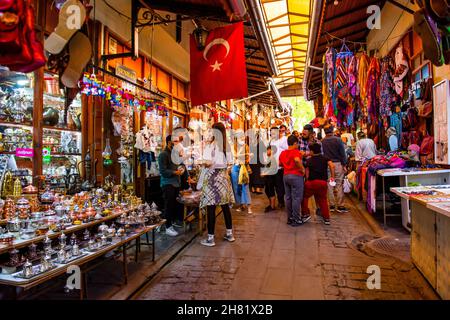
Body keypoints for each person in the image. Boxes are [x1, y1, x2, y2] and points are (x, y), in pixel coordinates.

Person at [199, 122, 235, 247]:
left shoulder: (211, 146)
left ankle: (210, 238)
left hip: (211, 179)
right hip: (223, 178)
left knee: (211, 207)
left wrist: (202, 162)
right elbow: (231, 163)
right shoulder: (227, 146)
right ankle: (229, 234)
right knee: (225, 207)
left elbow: (208, 163)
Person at [302, 143, 335, 225]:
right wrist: (332, 177)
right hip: (322, 183)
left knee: (304, 197)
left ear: (312, 151)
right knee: (323, 200)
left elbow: (307, 171)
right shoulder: (325, 158)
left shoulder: (309, 160)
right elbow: (332, 166)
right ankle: (326, 218)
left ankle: (306, 213)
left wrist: (306, 180)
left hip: (311, 182)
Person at [158, 135, 184, 237]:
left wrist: (181, 169)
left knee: (173, 205)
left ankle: (169, 223)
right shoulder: (163, 154)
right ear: (169, 142)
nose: (177, 144)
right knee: (168, 206)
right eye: (175, 142)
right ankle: (168, 227)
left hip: (176, 183)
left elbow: (178, 166)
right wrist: (175, 172)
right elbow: (163, 171)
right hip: (167, 183)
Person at [279, 135, 306, 226]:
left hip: (286, 176)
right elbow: (297, 160)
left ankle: (289, 218)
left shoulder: (283, 153)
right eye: (297, 143)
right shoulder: (295, 152)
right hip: (296, 176)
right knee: (296, 198)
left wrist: (287, 166)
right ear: (294, 143)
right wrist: (302, 169)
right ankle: (296, 219)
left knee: (288, 197)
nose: (298, 145)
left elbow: (280, 164)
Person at [321, 125, 348, 213]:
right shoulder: (338, 140)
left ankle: (331, 205)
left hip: (327, 164)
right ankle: (340, 206)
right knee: (339, 184)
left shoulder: (323, 141)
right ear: (332, 131)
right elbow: (342, 153)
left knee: (330, 184)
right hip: (337, 164)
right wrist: (344, 164)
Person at [230, 134, 252, 214]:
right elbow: (235, 155)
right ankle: (240, 205)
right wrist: (246, 154)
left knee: (245, 187)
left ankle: (249, 206)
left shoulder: (246, 146)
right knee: (237, 188)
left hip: (244, 167)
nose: (243, 138)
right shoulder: (234, 146)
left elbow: (248, 158)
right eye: (241, 136)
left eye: (243, 136)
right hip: (235, 168)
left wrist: (247, 156)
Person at [270, 125, 288, 208]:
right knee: (274, 185)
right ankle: (278, 201)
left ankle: (281, 201)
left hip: (281, 167)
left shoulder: (284, 140)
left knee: (280, 185)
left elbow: (287, 151)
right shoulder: (272, 141)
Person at [261, 145, 278, 212]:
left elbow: (272, 169)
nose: (267, 151)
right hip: (268, 177)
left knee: (271, 191)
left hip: (271, 178)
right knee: (267, 190)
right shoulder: (269, 158)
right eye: (267, 150)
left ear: (272, 151)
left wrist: (264, 173)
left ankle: (272, 206)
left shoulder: (272, 158)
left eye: (268, 150)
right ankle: (271, 204)